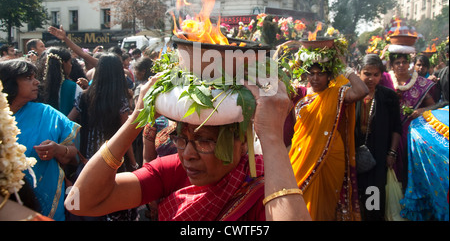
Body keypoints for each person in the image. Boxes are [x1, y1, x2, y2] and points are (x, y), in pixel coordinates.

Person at [65, 74, 311, 221]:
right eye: (180, 139)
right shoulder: (173, 171)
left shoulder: (263, 188)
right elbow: (79, 203)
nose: (187, 155)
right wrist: (135, 120)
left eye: (205, 141)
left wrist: (270, 138)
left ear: (242, 142)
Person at [288, 47, 369, 221]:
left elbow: (362, 91)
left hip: (330, 156)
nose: (315, 78)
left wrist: (345, 69)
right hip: (301, 157)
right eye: (311, 73)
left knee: (325, 207)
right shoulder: (301, 98)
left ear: (329, 76)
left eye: (320, 73)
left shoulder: (337, 93)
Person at [0, 59, 80, 221]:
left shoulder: (47, 114)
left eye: (35, 77)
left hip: (49, 205)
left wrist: (57, 149)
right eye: (28, 78)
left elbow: (73, 154)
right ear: (9, 83)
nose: (37, 82)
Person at [66, 52, 138, 221]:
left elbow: (68, 122)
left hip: (87, 161)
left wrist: (74, 152)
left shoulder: (84, 96)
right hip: (114, 161)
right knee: (113, 206)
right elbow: (125, 134)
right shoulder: (119, 100)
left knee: (89, 206)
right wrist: (133, 163)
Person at [355, 54, 402, 221]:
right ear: (358, 73)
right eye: (367, 74)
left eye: (376, 75)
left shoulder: (388, 96)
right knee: (353, 195)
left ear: (381, 76)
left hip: (378, 154)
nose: (371, 79)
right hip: (353, 154)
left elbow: (397, 127)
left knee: (373, 196)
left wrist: (392, 152)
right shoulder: (351, 95)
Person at [388, 51, 435, 185]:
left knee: (410, 165)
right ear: (392, 65)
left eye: (405, 62)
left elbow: (433, 106)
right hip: (389, 130)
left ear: (409, 64)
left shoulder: (419, 82)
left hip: (412, 132)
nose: (401, 65)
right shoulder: (385, 80)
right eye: (397, 62)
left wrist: (421, 110)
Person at [41, 46, 83, 116]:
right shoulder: (72, 87)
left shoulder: (37, 86)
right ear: (64, 63)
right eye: (70, 62)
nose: (71, 65)